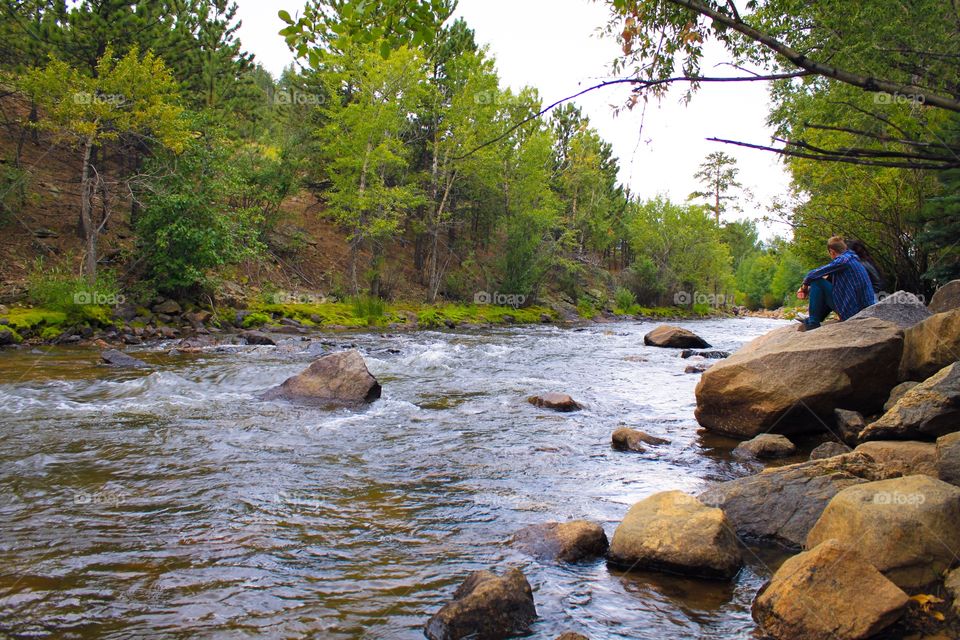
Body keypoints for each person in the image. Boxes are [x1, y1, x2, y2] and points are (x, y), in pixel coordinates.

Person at [796, 236, 876, 331]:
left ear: (832, 251)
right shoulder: (853, 258)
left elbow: (811, 275)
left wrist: (804, 288)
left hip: (853, 312)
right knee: (821, 284)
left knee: (816, 282)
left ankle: (812, 322)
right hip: (863, 309)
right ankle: (813, 318)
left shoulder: (843, 261)